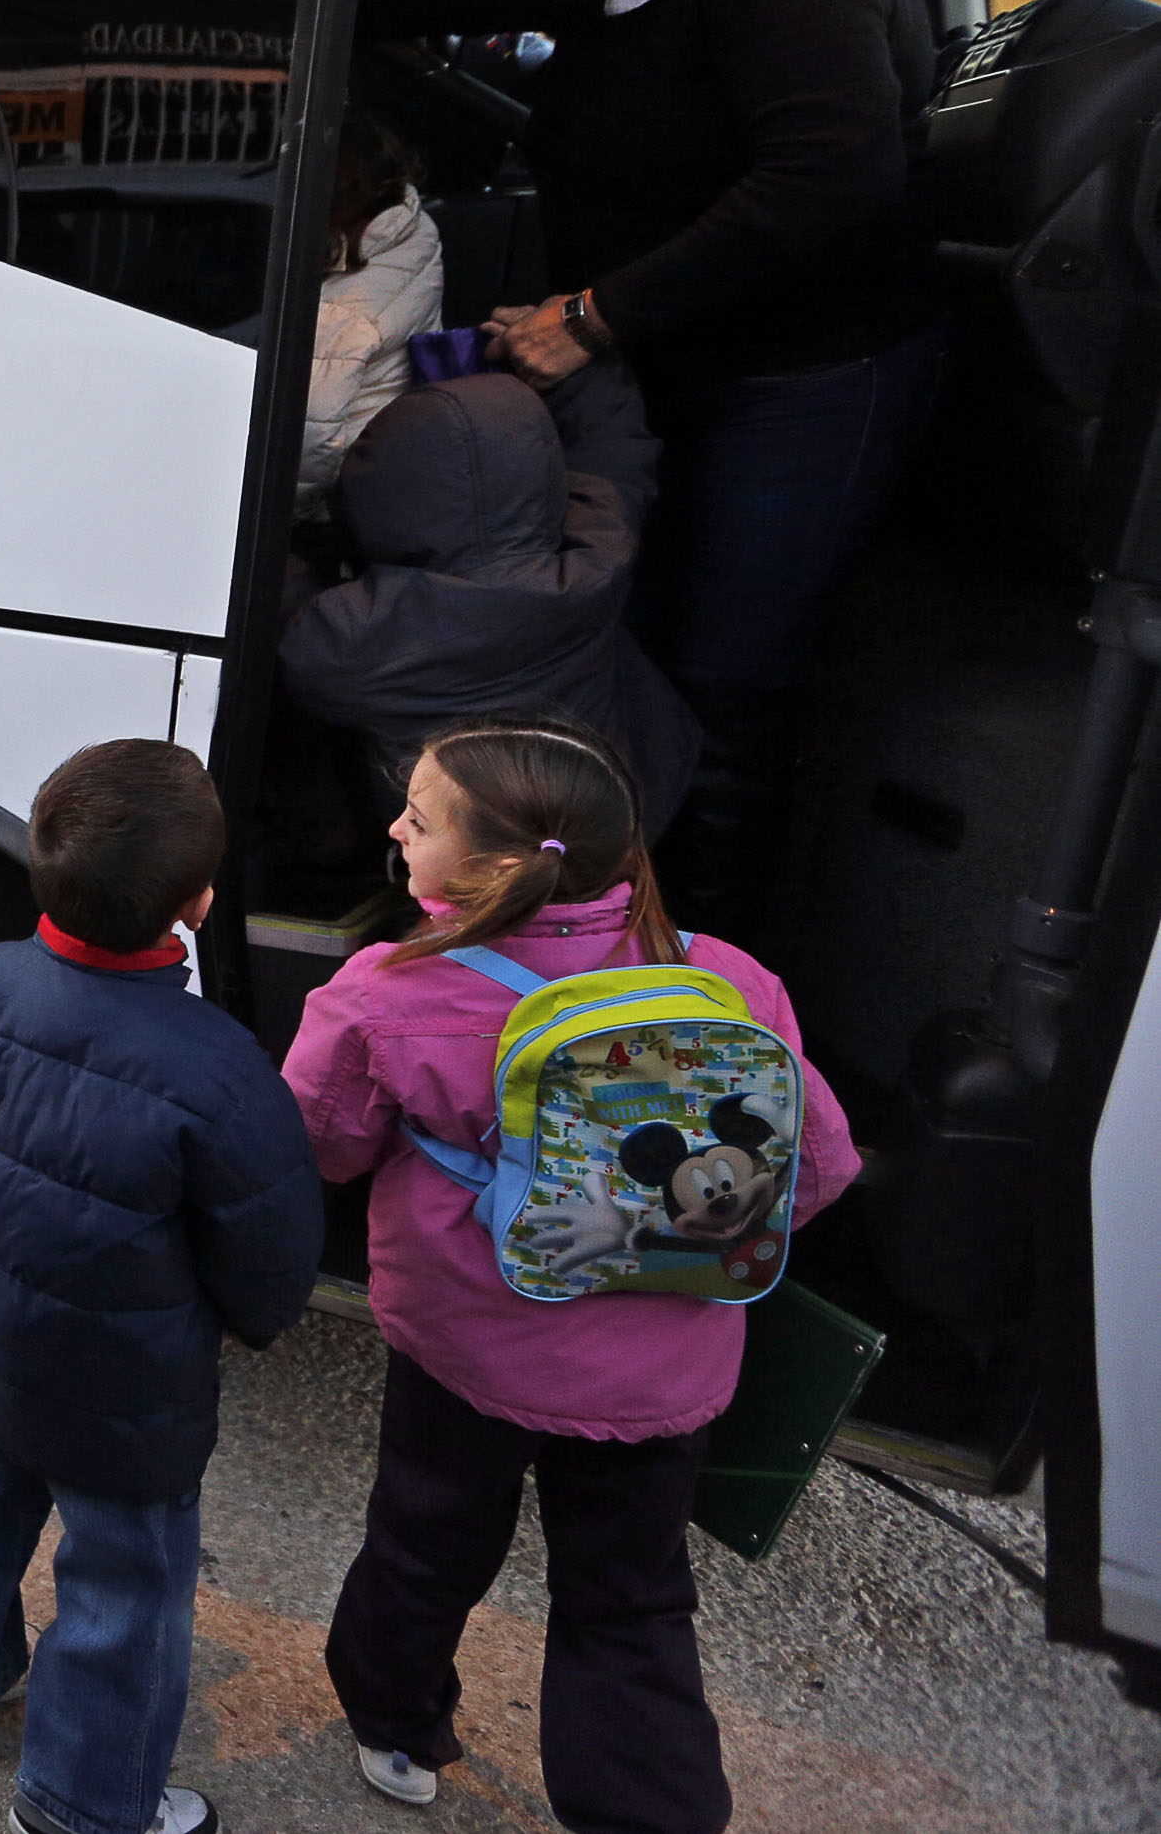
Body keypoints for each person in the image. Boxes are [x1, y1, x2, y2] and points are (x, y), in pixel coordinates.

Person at [357, 0, 939, 928]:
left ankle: (710, 987)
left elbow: (829, 179)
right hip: (688, 371)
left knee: (724, 682)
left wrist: (589, 317)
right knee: (652, 656)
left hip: (799, 385)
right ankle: (617, 937)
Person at [282, 720, 856, 1832]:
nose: (395, 823)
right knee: (631, 1601)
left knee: (423, 1543)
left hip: (468, 1350)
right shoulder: (727, 979)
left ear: (495, 869)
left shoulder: (387, 992)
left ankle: (396, 1721)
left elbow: (325, 1147)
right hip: (663, 1372)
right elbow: (817, 1167)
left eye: (420, 813)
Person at [0, 739, 319, 1834]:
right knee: (125, 1591)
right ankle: (84, 1797)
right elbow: (267, 1261)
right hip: (130, 1396)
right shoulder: (218, 1065)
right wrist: (248, 1323)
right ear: (197, 903)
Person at [281, 357, 697, 837]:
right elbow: (617, 460)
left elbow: (265, 572)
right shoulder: (595, 562)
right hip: (619, 815)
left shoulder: (351, 635)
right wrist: (582, 361)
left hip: (459, 854)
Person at [299, 110, 446, 515]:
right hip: (394, 454)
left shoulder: (344, 312)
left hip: (339, 496)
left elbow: (304, 446)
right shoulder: (412, 227)